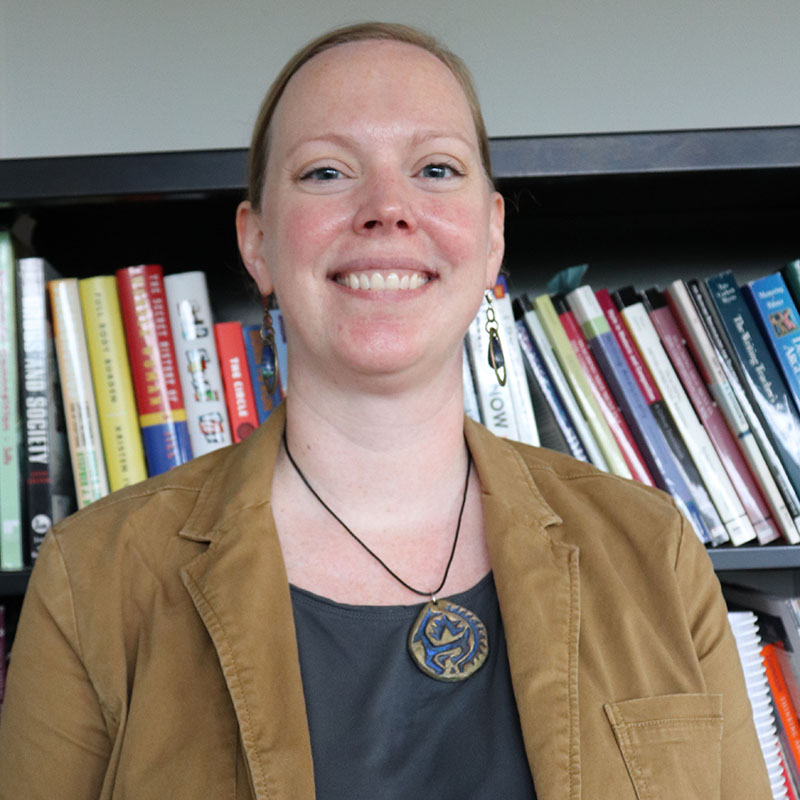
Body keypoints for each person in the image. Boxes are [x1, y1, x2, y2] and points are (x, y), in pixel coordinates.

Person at [0, 21, 772, 800]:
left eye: (436, 168)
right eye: (328, 172)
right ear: (257, 242)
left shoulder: (655, 551)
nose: (388, 209)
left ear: (493, 234)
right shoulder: (93, 579)